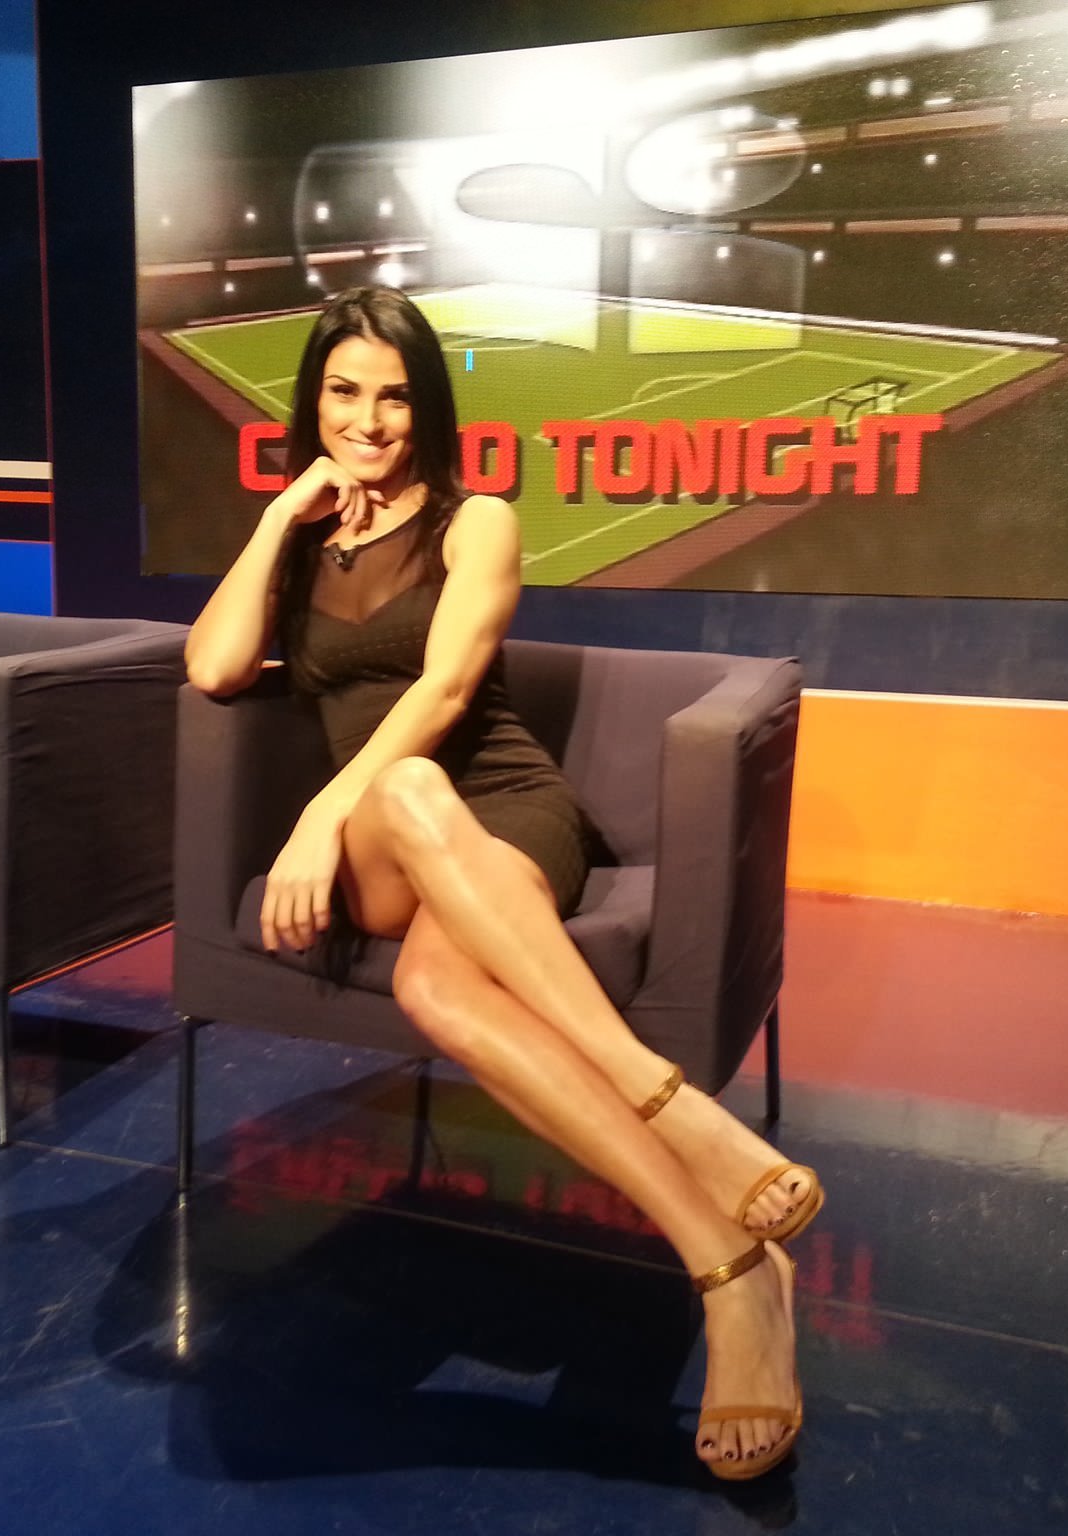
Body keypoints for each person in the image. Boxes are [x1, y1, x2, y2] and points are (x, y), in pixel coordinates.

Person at [183, 286, 816, 1481]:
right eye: (342, 392)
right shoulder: (304, 536)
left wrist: (318, 810)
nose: (367, 420)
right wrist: (274, 519)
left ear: (425, 406)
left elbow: (442, 693)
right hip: (389, 834)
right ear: (311, 402)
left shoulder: (475, 521)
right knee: (407, 794)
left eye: (392, 396)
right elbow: (214, 667)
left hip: (509, 811)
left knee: (435, 987)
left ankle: (730, 1270)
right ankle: (669, 1102)